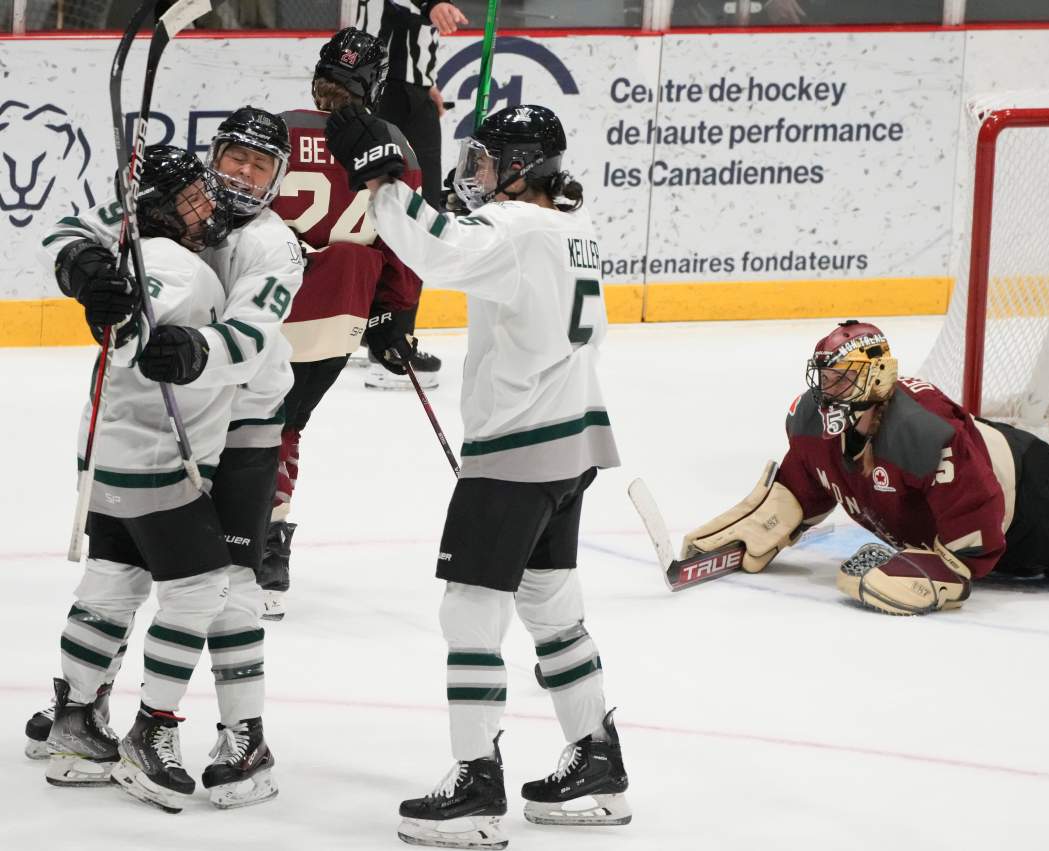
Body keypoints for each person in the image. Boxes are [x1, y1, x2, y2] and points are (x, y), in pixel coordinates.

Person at [324, 103, 631, 847]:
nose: (477, 176)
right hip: (573, 445)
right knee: (553, 606)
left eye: (489, 162)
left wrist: (385, 179)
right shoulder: (571, 226)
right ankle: (598, 759)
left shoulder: (518, 227)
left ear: (522, 167)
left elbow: (441, 251)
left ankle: (475, 784)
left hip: (519, 452)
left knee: (470, 613)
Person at [26, 112, 302, 808]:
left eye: (259, 166)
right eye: (233, 157)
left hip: (240, 430)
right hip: (168, 428)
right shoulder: (178, 191)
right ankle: (88, 711)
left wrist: (195, 350)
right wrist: (84, 268)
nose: (239, 175)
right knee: (136, 572)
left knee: (229, 583)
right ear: (212, 157)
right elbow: (70, 233)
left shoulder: (273, 243)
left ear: (278, 179)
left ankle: (243, 734)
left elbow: (253, 339)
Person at [681, 320, 1049, 615]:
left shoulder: (922, 436)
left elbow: (979, 534)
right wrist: (769, 516)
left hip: (1026, 509)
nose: (826, 393)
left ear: (876, 379)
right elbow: (806, 480)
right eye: (824, 380)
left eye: (840, 381)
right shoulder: (817, 422)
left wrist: (944, 568)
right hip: (999, 454)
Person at [263, 27, 425, 618]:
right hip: (338, 317)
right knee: (287, 425)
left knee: (240, 423)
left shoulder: (275, 129)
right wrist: (393, 317)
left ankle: (223, 534)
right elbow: (407, 245)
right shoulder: (398, 150)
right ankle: (269, 545)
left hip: (261, 311)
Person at [362, 0, 468, 391]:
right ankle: (392, 348)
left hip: (398, 87)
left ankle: (372, 329)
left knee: (390, 206)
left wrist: (425, 79)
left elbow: (402, 27)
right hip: (393, 91)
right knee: (415, 213)